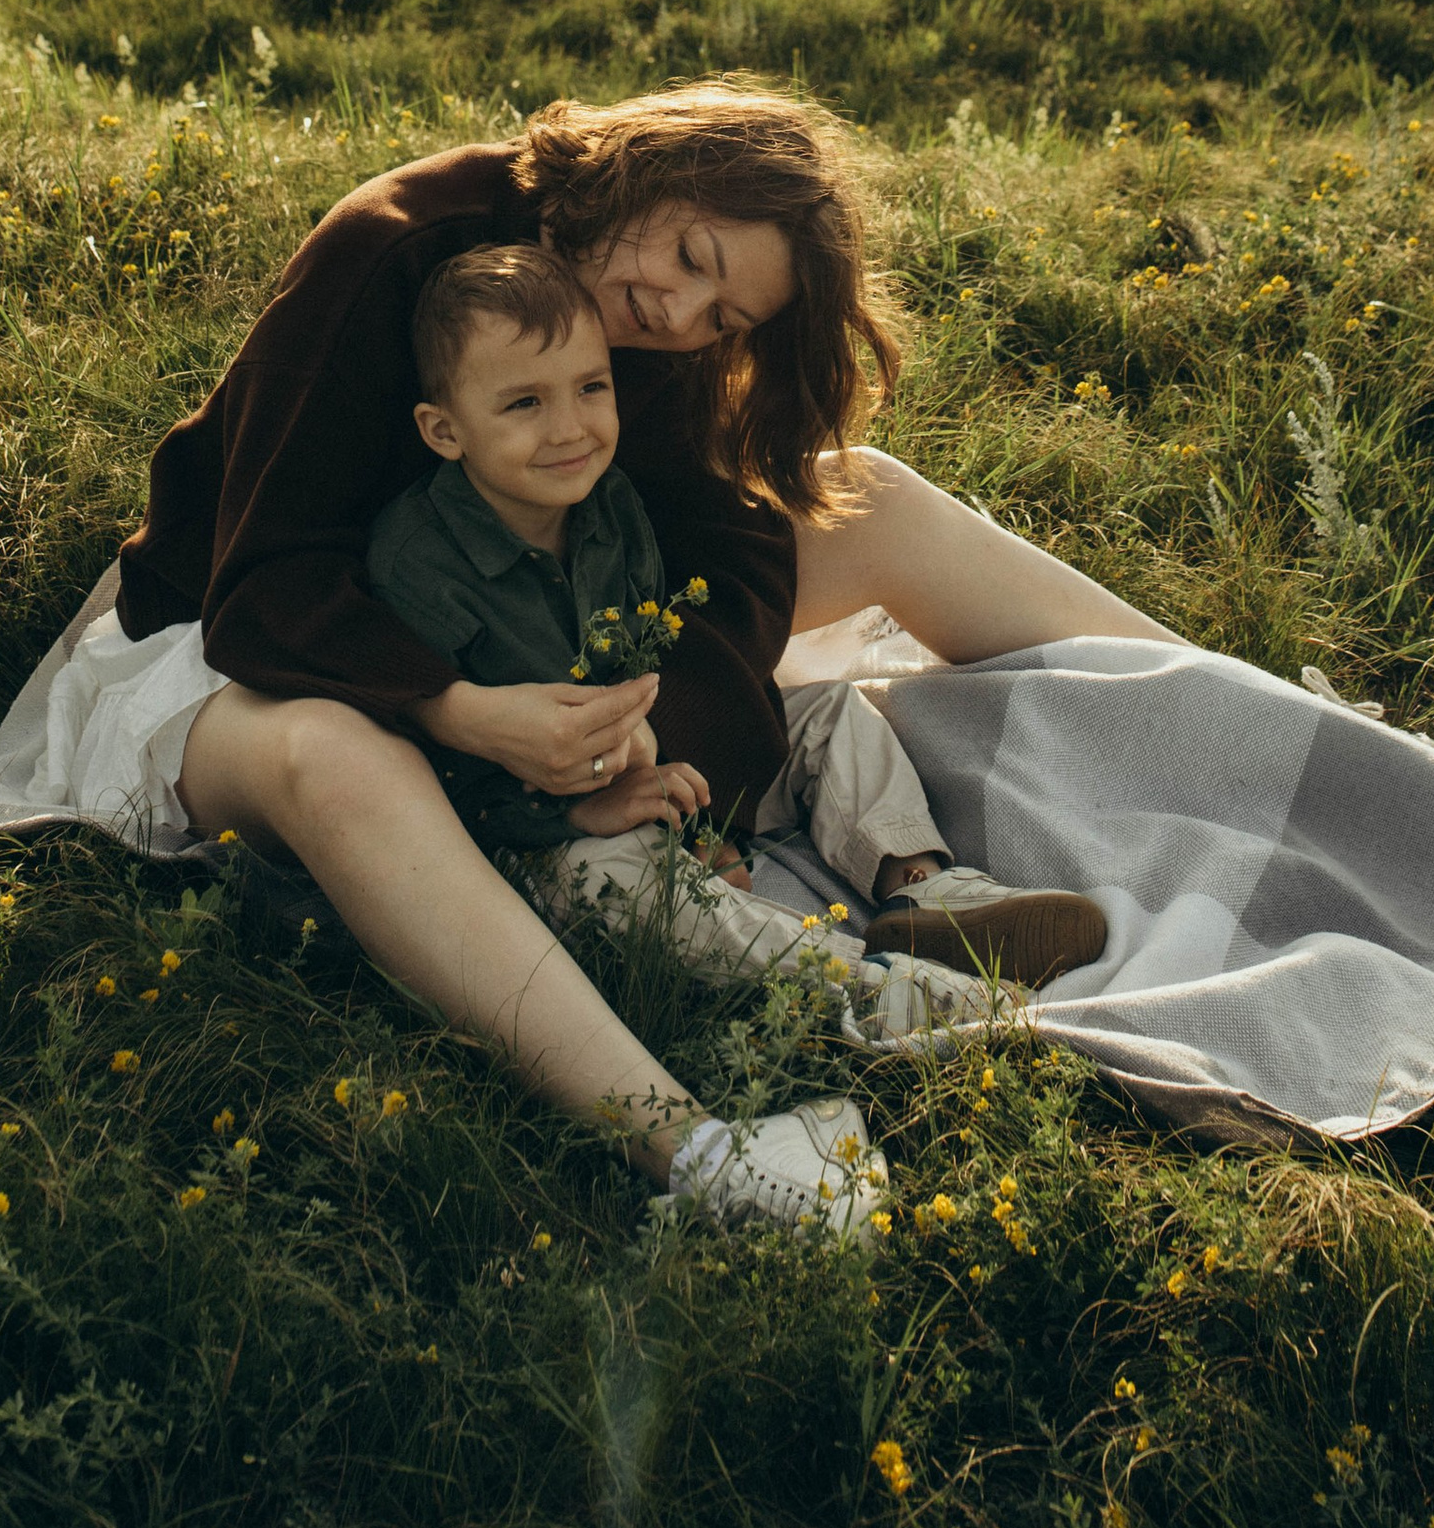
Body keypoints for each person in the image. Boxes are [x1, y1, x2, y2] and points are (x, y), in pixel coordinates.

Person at [34, 80, 1179, 1228]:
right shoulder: (395, 246)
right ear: (651, 169)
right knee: (338, 753)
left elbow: (724, 545)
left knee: (864, 497)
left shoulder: (641, 329)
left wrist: (656, 741)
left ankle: (1233, 713)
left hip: (533, 618)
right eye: (687, 256)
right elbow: (263, 578)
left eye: (722, 319)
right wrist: (451, 708)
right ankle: (699, 1155)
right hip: (241, 656)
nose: (678, 316)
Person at [367, 240, 1107, 1002]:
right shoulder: (418, 564)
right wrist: (575, 812)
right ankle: (861, 989)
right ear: (443, 431)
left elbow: (656, 668)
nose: (570, 428)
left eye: (591, 387)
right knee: (624, 889)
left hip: (648, 771)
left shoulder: (611, 505)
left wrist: (698, 815)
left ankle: (919, 886)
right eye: (525, 402)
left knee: (827, 714)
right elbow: (421, 772)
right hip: (541, 835)